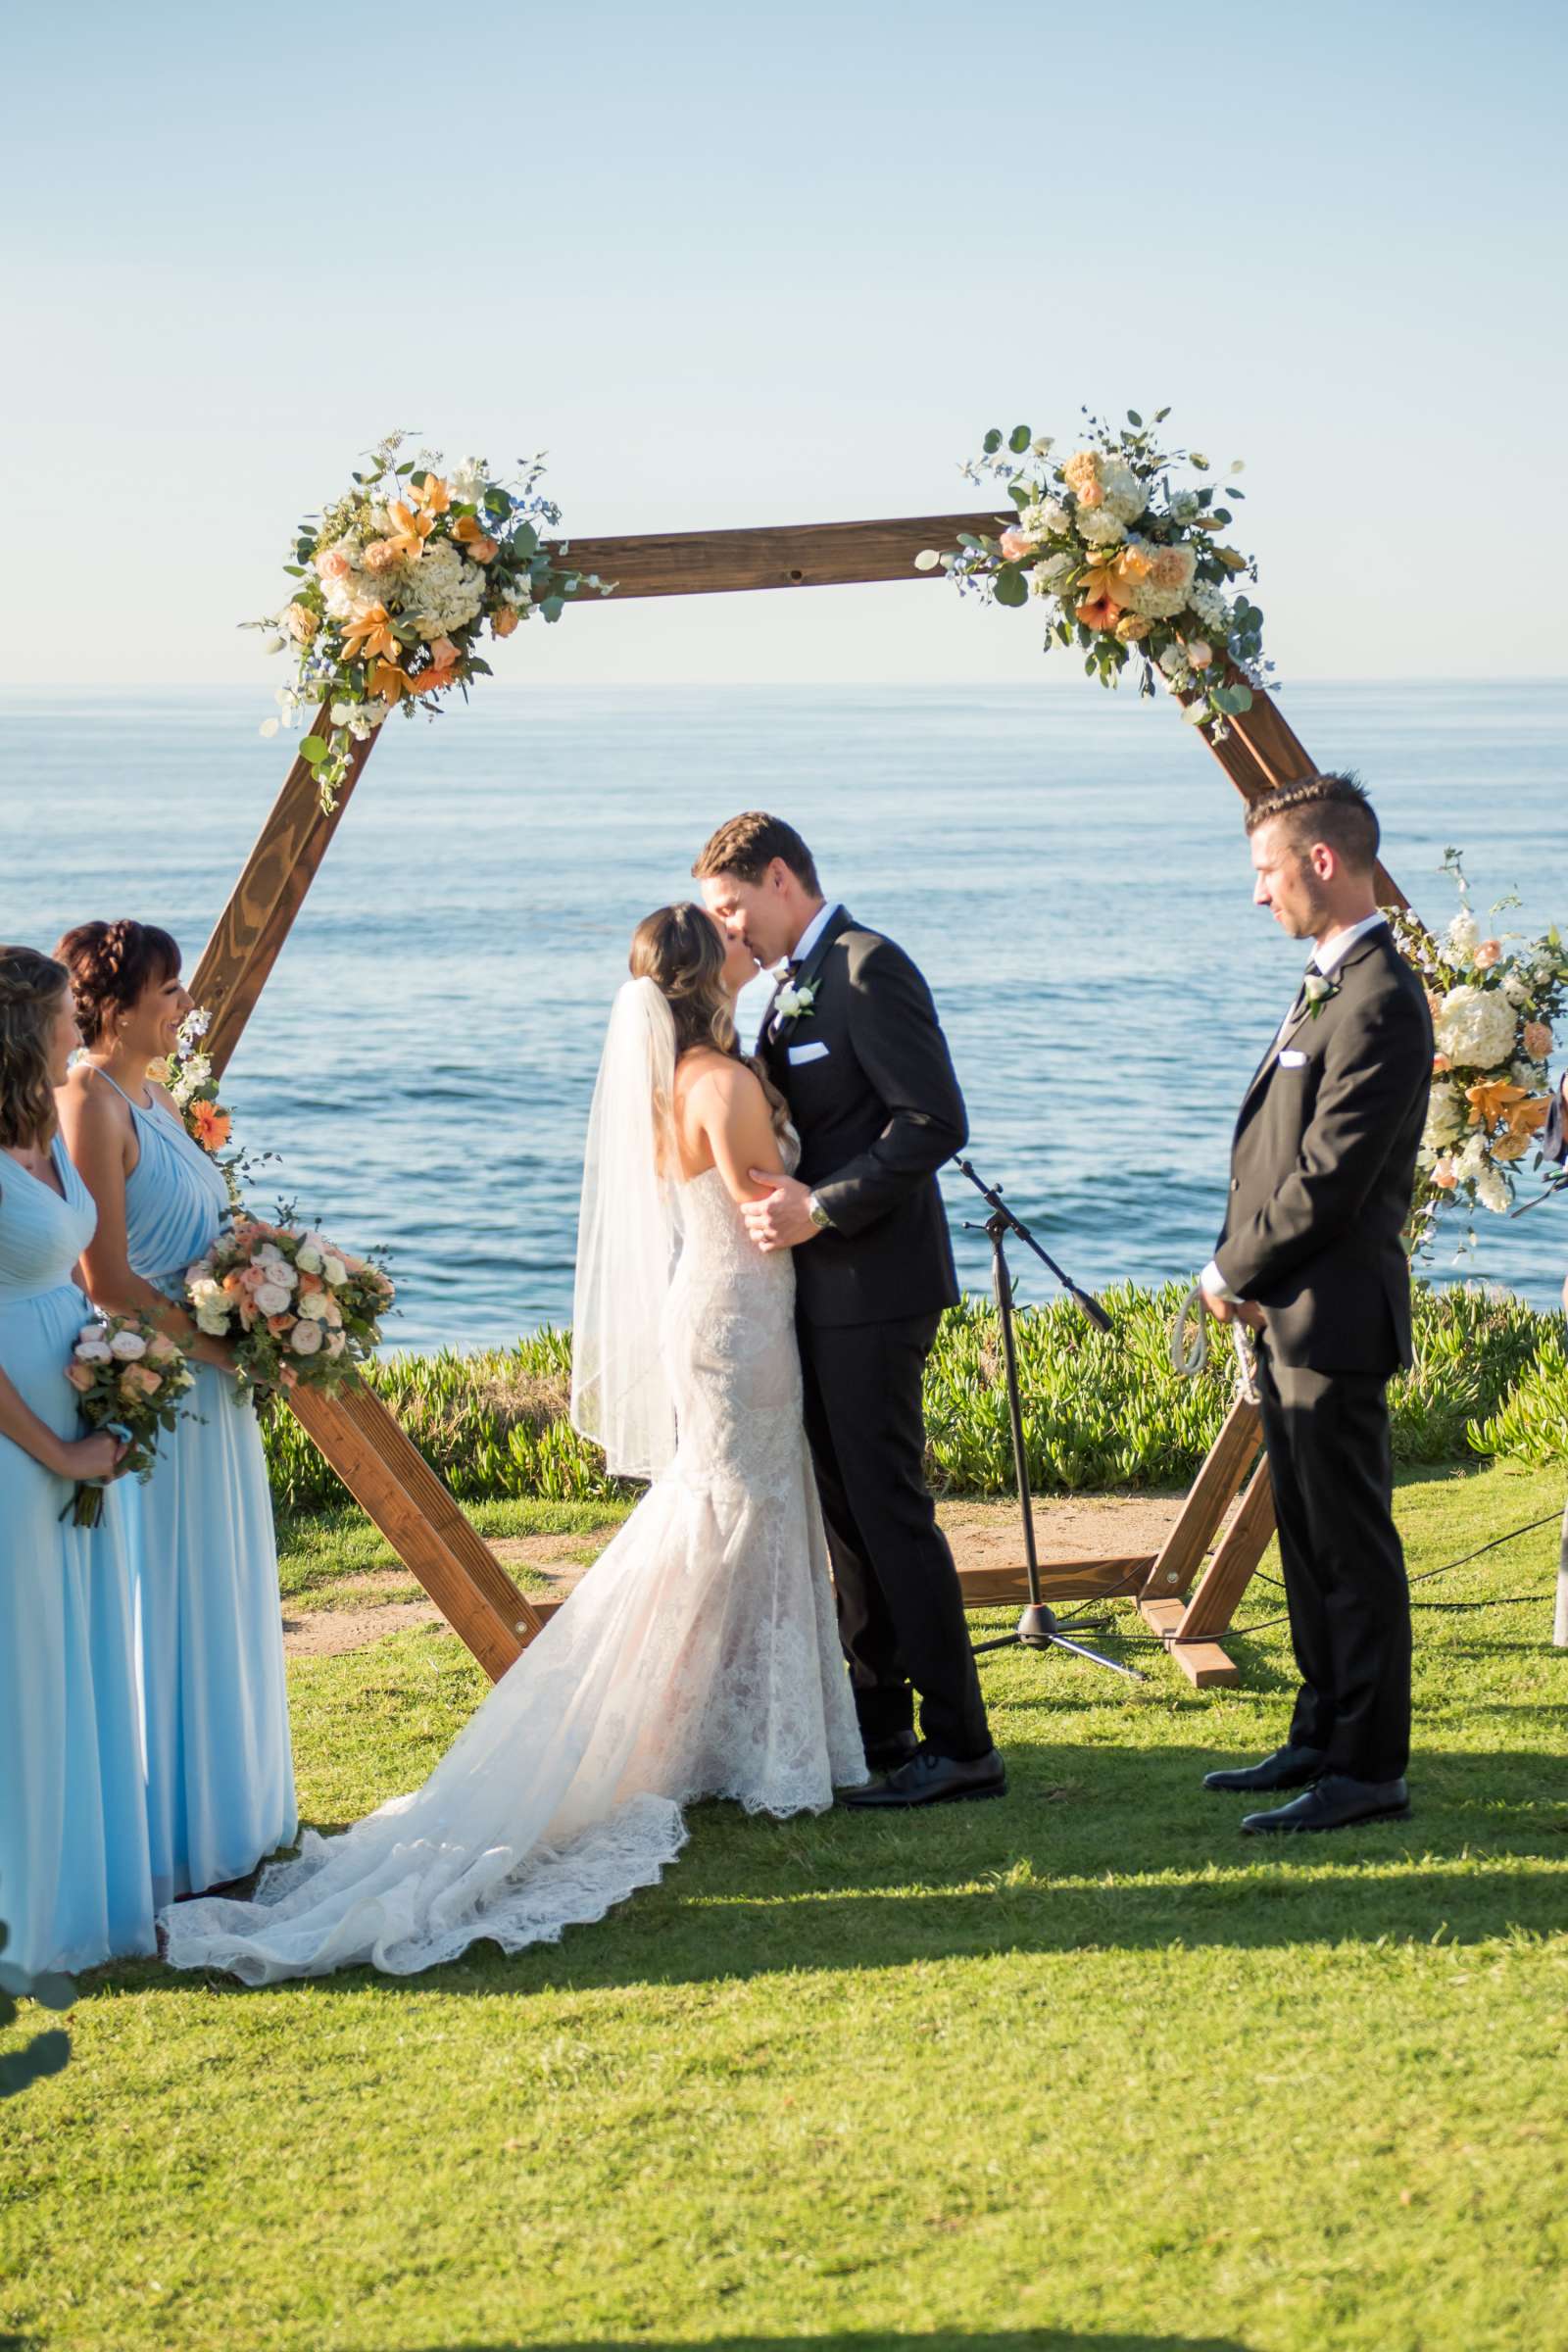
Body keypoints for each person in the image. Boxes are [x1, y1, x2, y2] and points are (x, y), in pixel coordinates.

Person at [158, 905, 863, 1983]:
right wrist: (851, 1199)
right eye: (723, 937)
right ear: (699, 975)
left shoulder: (678, 1078)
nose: (740, 939)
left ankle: (718, 1730)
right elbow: (760, 1197)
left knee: (731, 1504)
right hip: (740, 1308)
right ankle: (741, 1736)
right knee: (742, 1505)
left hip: (718, 1307)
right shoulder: (715, 1083)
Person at [694, 812, 1004, 1809]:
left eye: (732, 907)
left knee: (889, 1516)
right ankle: (881, 1727)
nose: (728, 931)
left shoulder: (868, 968)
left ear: (780, 878)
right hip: (816, 1299)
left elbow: (934, 1120)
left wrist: (820, 1208)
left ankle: (962, 1745)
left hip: (877, 1289)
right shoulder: (786, 988)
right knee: (846, 1528)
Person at [1199, 774, 1432, 1834]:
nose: (1258, 894)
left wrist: (1228, 1271)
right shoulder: (1330, 979)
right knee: (1305, 1538)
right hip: (1291, 1309)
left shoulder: (1381, 993)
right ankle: (1319, 1727)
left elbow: (1328, 1177)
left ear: (1321, 863)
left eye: (1265, 871)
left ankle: (1367, 1769)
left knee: (1350, 1549)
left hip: (1332, 1316)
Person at [54, 919, 296, 1905]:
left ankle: (232, 1814)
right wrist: (215, 1347)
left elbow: (203, 1232)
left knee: (221, 1584)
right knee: (166, 1594)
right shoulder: (88, 1100)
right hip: (161, 1385)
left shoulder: (166, 1098)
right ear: (111, 1007)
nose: (184, 1003)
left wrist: (270, 1271)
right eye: (167, 989)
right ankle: (169, 1836)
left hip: (211, 1382)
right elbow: (103, 1276)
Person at [0, 945, 154, 1975]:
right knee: (24, 1657)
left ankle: (87, 1884)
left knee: (82, 1648)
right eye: (62, 1016)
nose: (76, 1028)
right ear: (24, 1033)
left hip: (84, 1417)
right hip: (22, 1443)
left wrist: (116, 1381)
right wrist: (56, 1443)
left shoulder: (44, 1136)